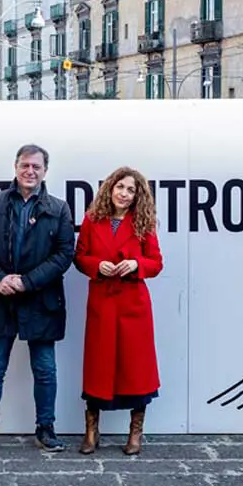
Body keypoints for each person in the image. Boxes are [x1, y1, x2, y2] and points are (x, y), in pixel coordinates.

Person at [0, 143, 76, 455]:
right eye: (25, 165)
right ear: (15, 167)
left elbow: (65, 254)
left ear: (45, 172)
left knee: (45, 369)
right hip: (0, 299)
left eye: (36, 167)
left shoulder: (58, 208)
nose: (30, 171)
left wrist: (28, 282)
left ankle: (46, 428)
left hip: (41, 301)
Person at [72, 166, 163, 456]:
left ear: (139, 196)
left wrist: (137, 264)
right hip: (102, 301)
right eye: (120, 187)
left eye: (131, 190)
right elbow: (80, 256)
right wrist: (96, 265)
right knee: (98, 366)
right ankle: (91, 430)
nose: (124, 194)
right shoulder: (91, 220)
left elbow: (156, 262)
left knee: (136, 368)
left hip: (133, 304)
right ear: (110, 188)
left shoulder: (143, 222)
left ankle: (135, 433)